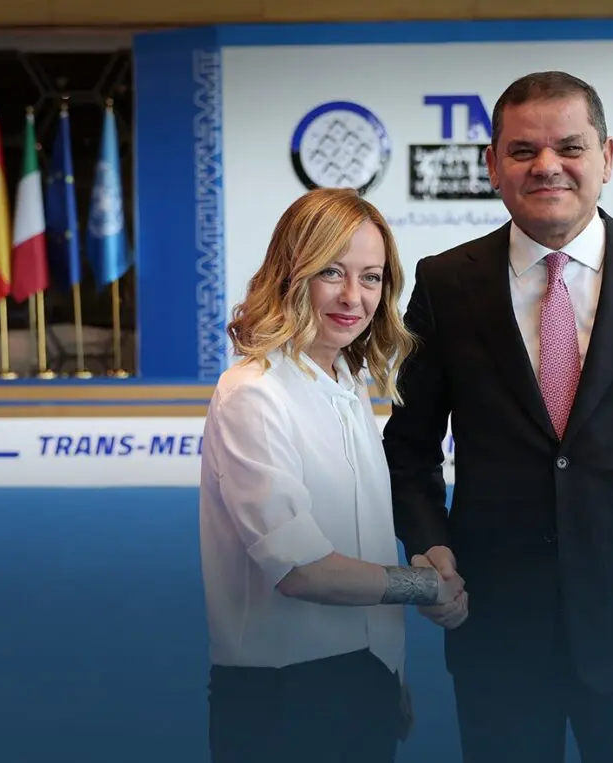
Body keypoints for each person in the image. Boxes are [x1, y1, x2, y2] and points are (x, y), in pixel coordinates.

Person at [382, 71, 613, 763]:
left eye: (570, 147)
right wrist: (429, 548)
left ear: (606, 158)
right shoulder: (445, 282)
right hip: (495, 625)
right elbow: (408, 449)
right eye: (523, 150)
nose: (546, 165)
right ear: (493, 166)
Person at [197, 188, 464, 763]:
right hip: (282, 697)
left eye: (371, 278)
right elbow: (301, 571)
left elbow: (362, 543)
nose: (353, 297)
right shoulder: (253, 394)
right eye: (331, 272)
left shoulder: (346, 381)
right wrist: (424, 586)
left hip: (361, 683)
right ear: (290, 274)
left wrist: (388, 672)